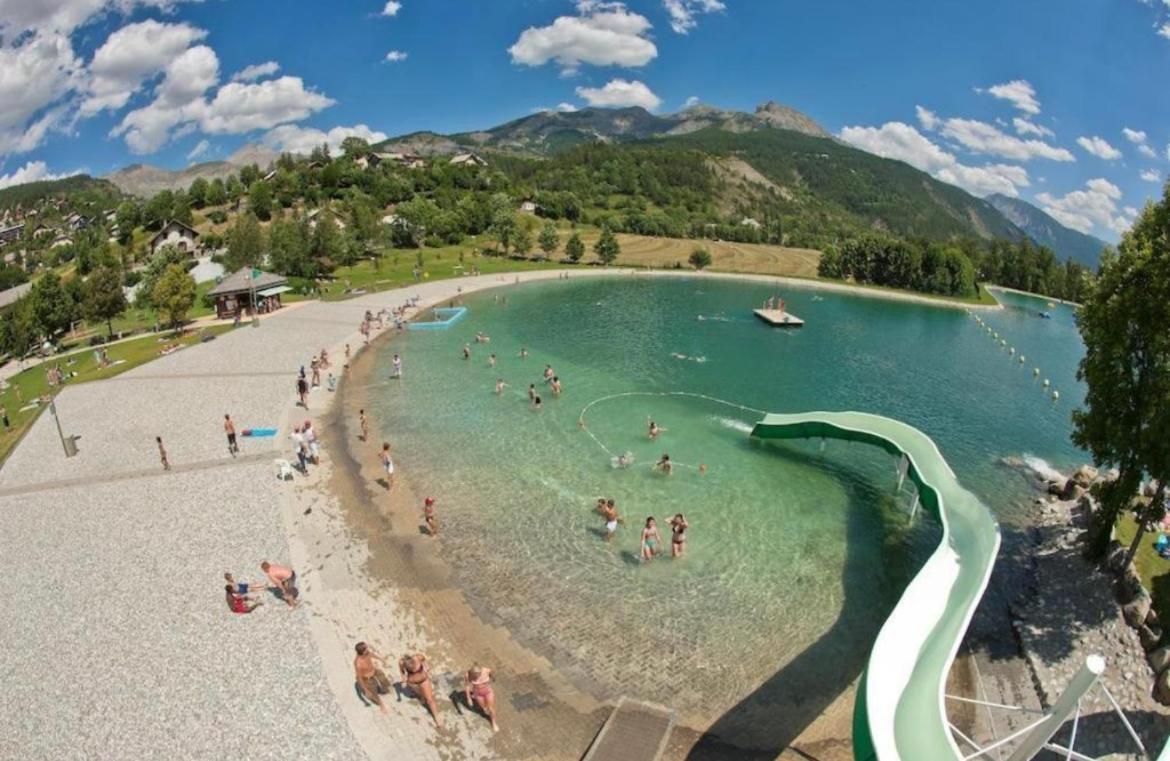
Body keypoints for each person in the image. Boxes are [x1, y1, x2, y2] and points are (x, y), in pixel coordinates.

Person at [399, 653, 442, 726]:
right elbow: (402, 671)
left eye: (413, 668)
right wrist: (403, 680)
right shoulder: (401, 662)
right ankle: (421, 696)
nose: (412, 670)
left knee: (430, 700)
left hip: (423, 680)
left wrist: (426, 667)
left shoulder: (418, 657)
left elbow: (424, 660)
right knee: (419, 693)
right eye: (409, 669)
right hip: (412, 683)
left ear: (413, 661)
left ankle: (436, 716)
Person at [354, 642, 392, 713]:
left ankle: (385, 690)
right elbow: (359, 678)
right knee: (373, 693)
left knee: (383, 679)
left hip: (375, 671)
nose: (368, 649)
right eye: (366, 648)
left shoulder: (367, 653)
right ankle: (381, 705)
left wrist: (381, 659)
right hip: (367, 679)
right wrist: (366, 690)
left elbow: (371, 654)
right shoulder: (358, 663)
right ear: (363, 652)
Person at [463, 665, 500, 732]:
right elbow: (467, 686)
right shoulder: (467, 675)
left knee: (491, 708)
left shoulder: (486, 670)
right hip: (478, 694)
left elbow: (491, 673)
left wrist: (492, 677)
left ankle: (493, 723)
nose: (476, 679)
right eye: (474, 678)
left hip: (488, 692)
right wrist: (468, 698)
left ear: (480, 673)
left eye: (477, 677)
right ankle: (474, 697)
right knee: (483, 706)